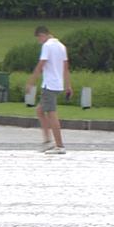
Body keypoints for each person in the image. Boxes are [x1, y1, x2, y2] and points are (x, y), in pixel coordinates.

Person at [26, 26, 72, 155]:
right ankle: (47, 141)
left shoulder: (47, 46)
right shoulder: (61, 46)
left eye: (39, 38)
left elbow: (41, 64)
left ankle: (59, 145)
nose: (39, 41)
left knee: (51, 114)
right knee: (40, 110)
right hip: (57, 84)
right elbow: (66, 68)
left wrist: (31, 82)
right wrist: (68, 85)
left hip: (49, 85)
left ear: (42, 35)